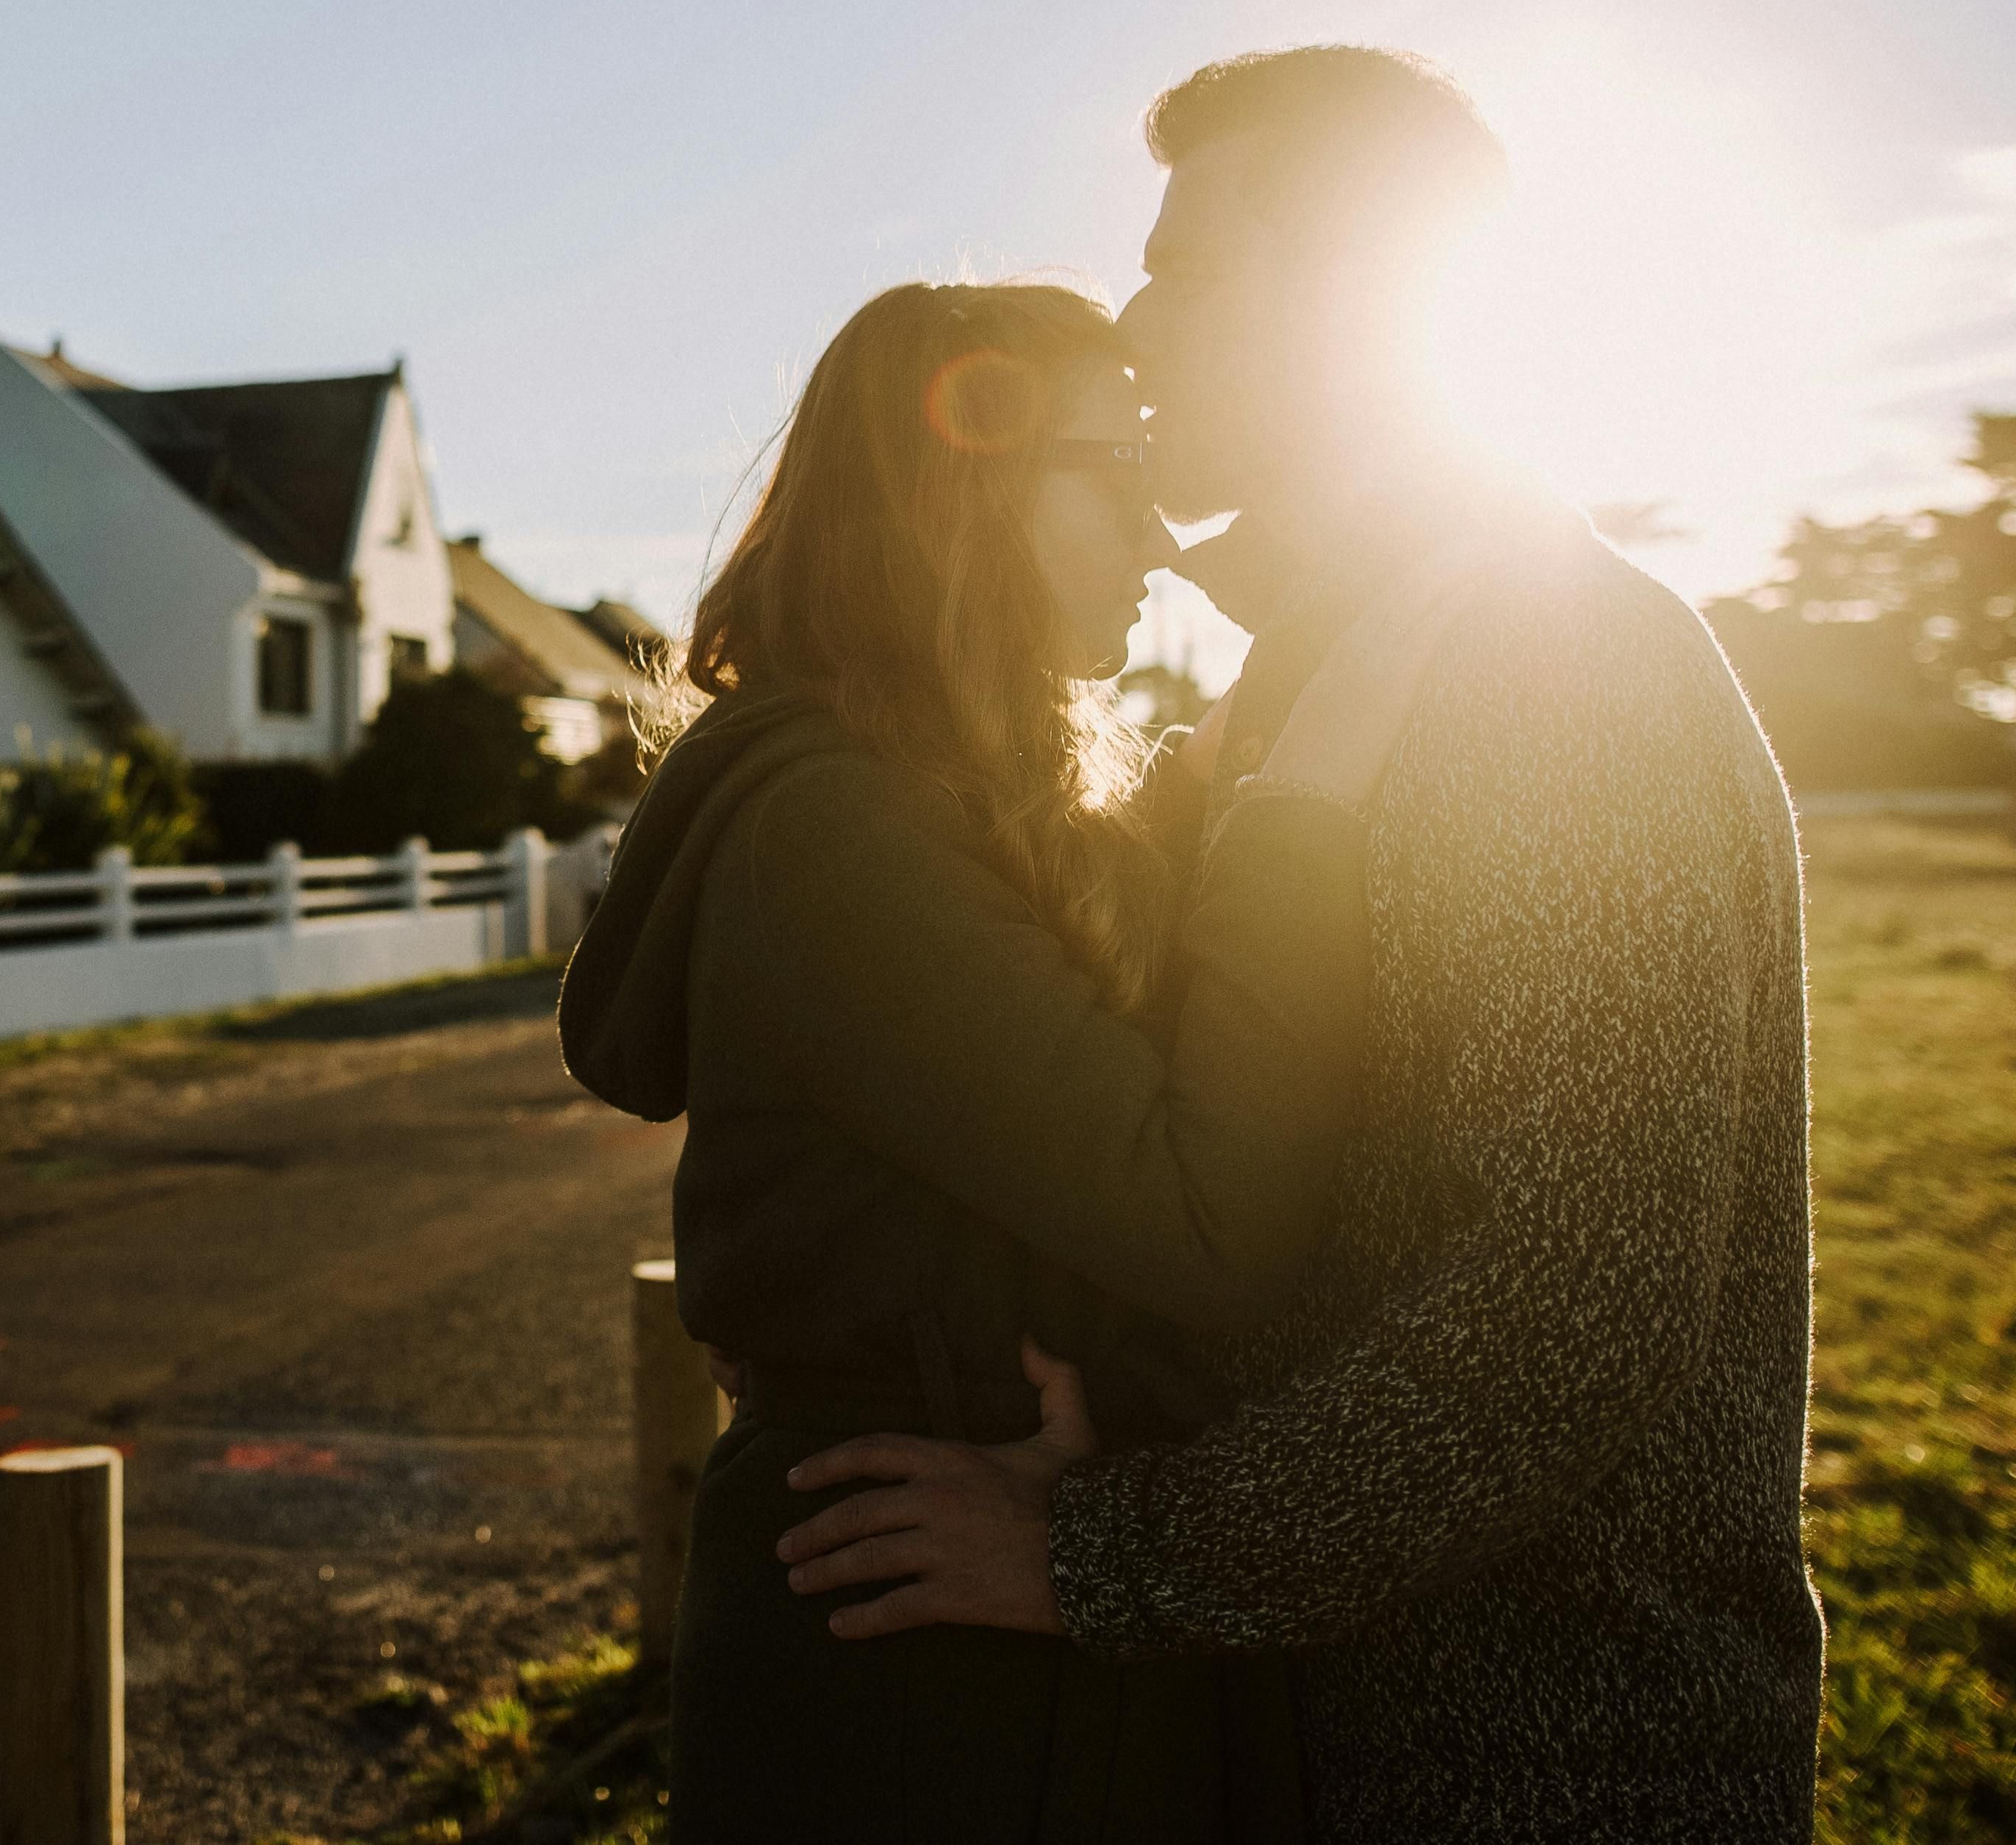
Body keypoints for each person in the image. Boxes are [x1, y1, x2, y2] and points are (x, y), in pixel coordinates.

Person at [765, 48, 1821, 1840]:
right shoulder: (1315, 678)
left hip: (1541, 1762)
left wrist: (1106, 1554)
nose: (1137, 321)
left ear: (1350, 305)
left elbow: (1566, 1306)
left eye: (1185, 269)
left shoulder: (1557, 670)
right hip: (1301, 1725)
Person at [559, 278, 1471, 1843]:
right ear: (960, 484)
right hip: (912, 1664)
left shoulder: (946, 809)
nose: (1162, 533)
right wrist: (1303, 809)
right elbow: (1207, 1219)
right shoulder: (829, 834)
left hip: (983, 1628)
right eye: (1112, 473)